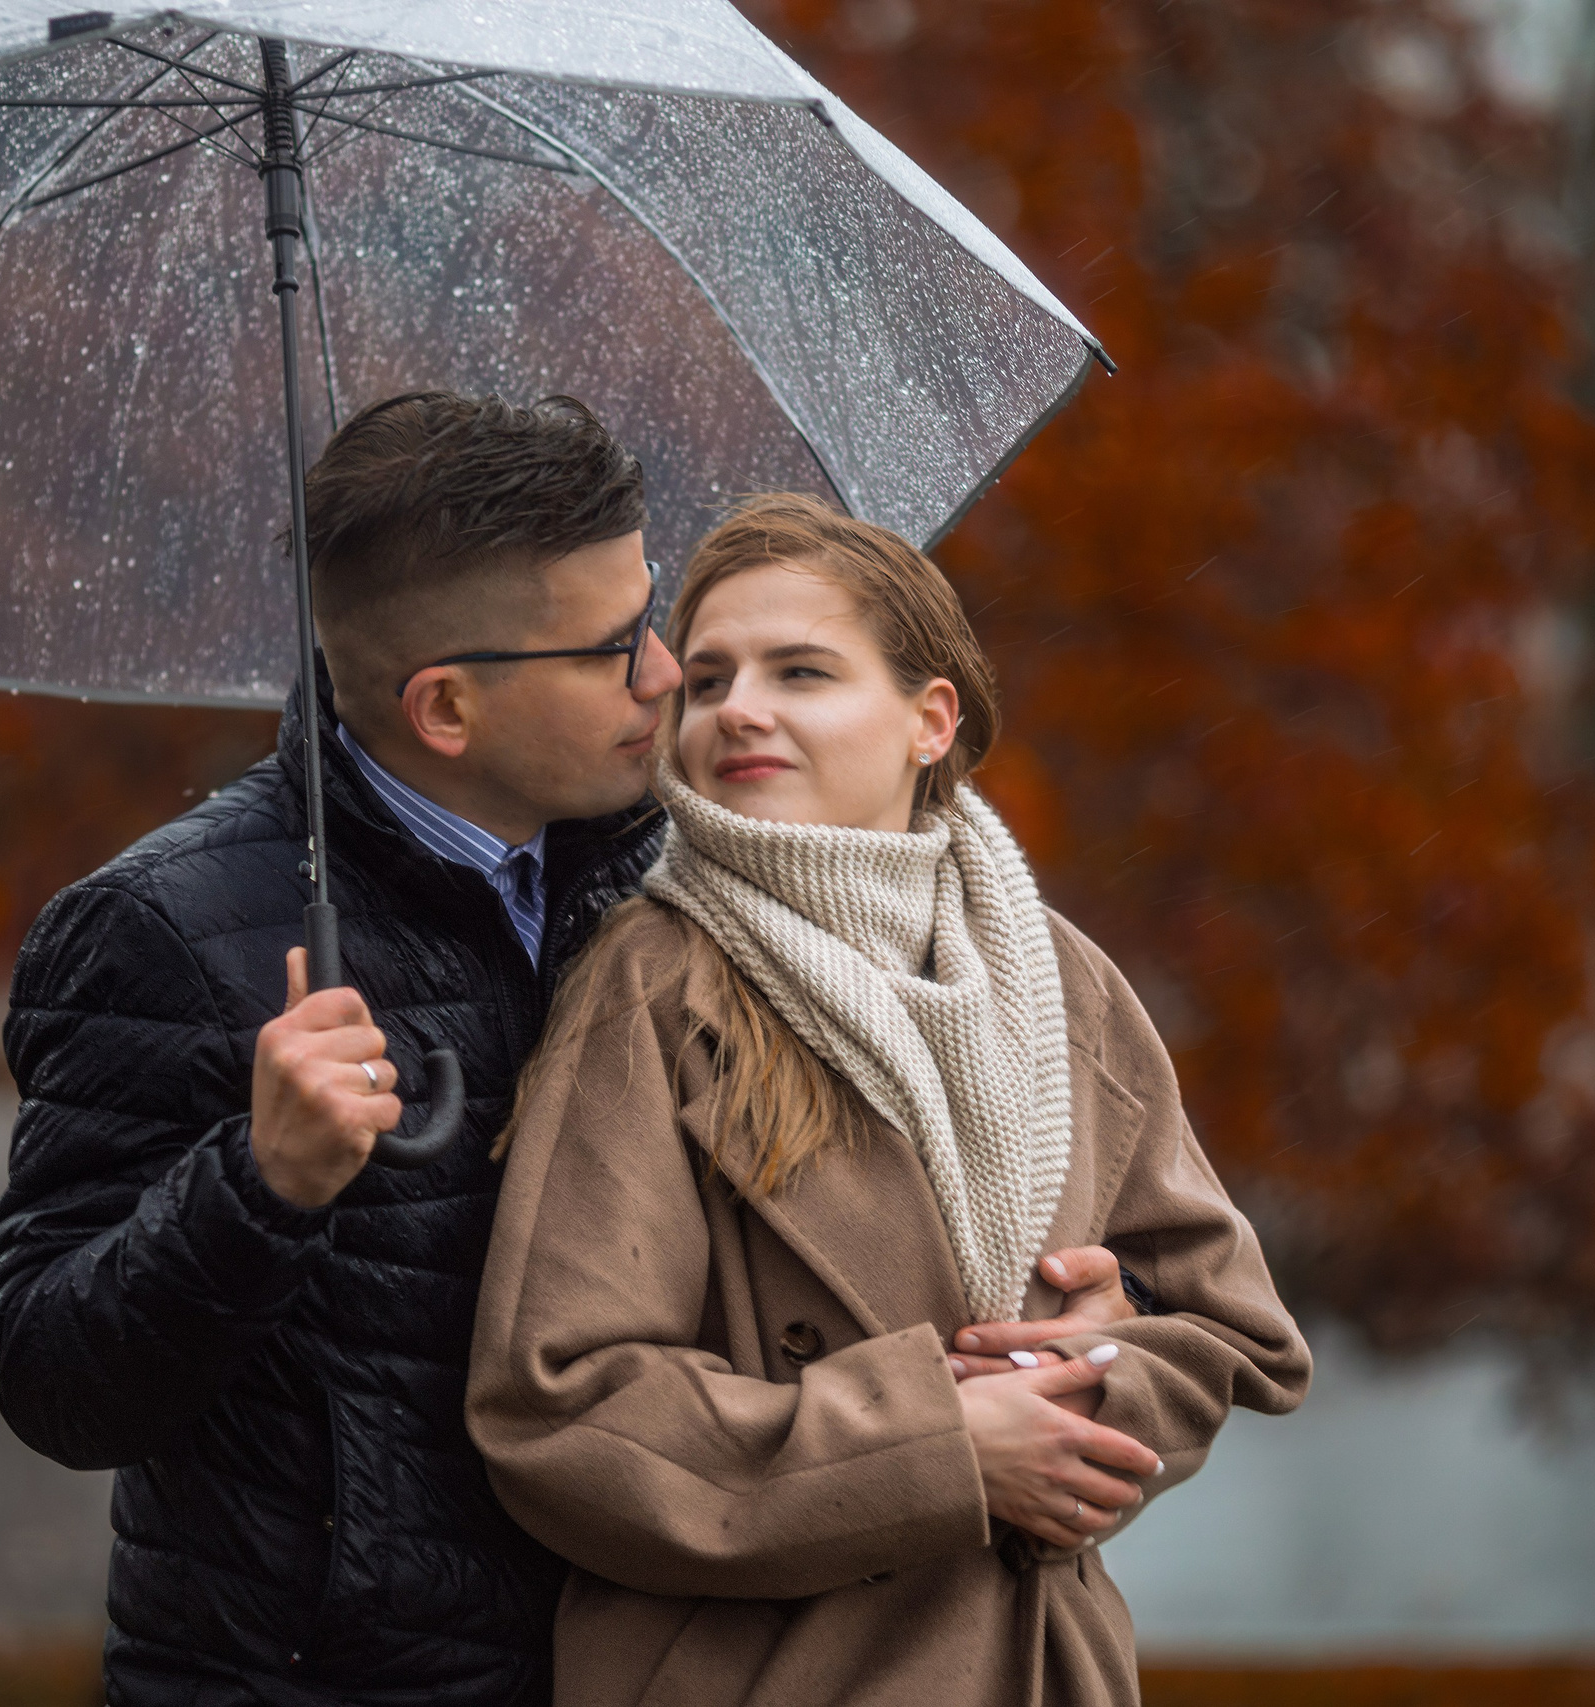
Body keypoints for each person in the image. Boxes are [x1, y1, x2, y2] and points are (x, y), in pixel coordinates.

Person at [0, 396, 1140, 1707]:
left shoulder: (693, 876)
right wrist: (259, 1186)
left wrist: (1063, 1335)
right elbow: (54, 1381)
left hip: (662, 1661)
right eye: (610, 646)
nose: (664, 670)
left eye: (649, 612)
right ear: (448, 706)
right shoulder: (169, 934)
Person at [468, 493, 1312, 1707]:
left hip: (1038, 1664)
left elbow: (1231, 1330)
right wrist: (936, 1451)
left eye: (800, 671)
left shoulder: (1052, 975)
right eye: (704, 682)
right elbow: (556, 1408)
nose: (737, 709)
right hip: (772, 1669)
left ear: (930, 721)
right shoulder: (652, 979)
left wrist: (1094, 1373)